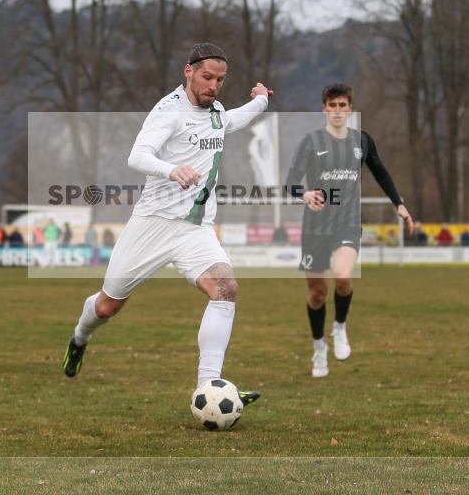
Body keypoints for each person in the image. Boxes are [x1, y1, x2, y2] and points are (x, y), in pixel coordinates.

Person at [63, 42, 270, 406]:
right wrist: (170, 169)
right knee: (108, 306)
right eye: (207, 77)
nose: (214, 85)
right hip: (152, 225)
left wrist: (261, 101)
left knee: (226, 289)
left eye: (220, 80)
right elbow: (137, 156)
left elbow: (234, 120)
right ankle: (80, 338)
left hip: (195, 229)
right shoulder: (168, 112)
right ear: (188, 72)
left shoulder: (216, 111)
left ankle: (208, 387)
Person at [285, 83, 414, 378]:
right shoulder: (311, 142)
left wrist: (399, 203)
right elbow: (291, 181)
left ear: (350, 109)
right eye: (332, 106)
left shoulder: (362, 142)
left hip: (346, 223)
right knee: (317, 293)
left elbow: (380, 172)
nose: (338, 111)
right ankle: (319, 348)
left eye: (343, 105)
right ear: (324, 110)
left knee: (343, 276)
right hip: (315, 227)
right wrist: (304, 194)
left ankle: (339, 328)